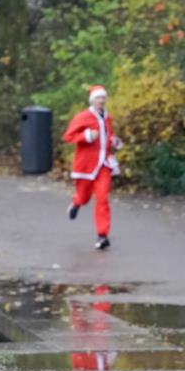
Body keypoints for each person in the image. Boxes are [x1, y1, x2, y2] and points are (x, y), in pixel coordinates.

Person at [64, 85, 122, 250]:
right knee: (84, 196)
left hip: (104, 164)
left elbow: (108, 135)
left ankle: (102, 236)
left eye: (103, 98)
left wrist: (114, 141)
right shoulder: (83, 117)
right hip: (86, 164)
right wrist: (87, 135)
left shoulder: (107, 117)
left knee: (102, 199)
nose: (101, 101)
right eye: (98, 98)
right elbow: (68, 136)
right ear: (92, 100)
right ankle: (76, 202)